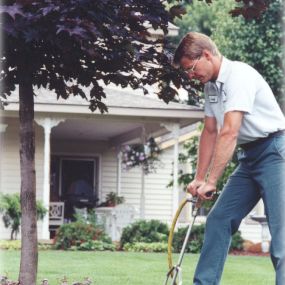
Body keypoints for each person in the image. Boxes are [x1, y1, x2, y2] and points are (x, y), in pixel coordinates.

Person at [173, 32, 285, 285]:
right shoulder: (211, 87)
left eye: (191, 68)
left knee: (281, 238)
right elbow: (210, 131)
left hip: (276, 153)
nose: (190, 75)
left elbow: (230, 131)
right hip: (250, 157)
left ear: (206, 55)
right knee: (219, 219)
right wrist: (199, 178)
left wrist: (212, 181)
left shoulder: (239, 76)